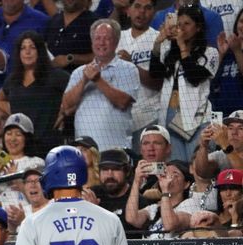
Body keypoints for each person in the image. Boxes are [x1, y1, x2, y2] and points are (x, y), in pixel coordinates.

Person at [149, 4, 219, 162]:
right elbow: (155, 73)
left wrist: (182, 47)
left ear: (199, 27)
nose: (181, 29)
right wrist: (158, 43)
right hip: (170, 114)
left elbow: (194, 77)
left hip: (198, 119)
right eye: (179, 24)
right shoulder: (169, 51)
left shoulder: (210, 53)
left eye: (187, 24)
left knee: (197, 166)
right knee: (177, 166)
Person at [61, 18, 139, 151]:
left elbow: (123, 102)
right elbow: (66, 107)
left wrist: (98, 80)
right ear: (92, 42)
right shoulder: (78, 72)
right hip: (85, 152)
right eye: (97, 38)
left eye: (107, 38)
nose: (101, 42)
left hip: (117, 150)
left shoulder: (128, 69)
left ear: (116, 42)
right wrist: (84, 80)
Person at [0, 30, 70, 156]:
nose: (27, 52)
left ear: (40, 51)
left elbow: (75, 91)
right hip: (22, 146)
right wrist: (14, 111)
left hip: (49, 144)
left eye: (32, 47)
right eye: (23, 48)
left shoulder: (55, 75)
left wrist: (65, 110)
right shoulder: (13, 78)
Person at [116, 0, 162, 152]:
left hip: (149, 118)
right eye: (137, 7)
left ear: (154, 13)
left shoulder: (160, 40)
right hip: (119, 119)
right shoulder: (116, 38)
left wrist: (132, 66)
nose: (141, 12)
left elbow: (159, 83)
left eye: (147, 8)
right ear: (128, 10)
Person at [125, 159, 199, 238]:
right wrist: (136, 181)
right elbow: (131, 218)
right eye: (166, 174)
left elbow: (169, 225)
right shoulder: (154, 208)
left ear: (186, 184)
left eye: (175, 175)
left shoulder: (190, 204)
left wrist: (165, 191)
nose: (169, 178)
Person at [85, 148, 138, 235]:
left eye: (115, 169)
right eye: (105, 169)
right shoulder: (92, 194)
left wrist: (95, 212)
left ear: (127, 171)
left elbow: (117, 234)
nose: (109, 175)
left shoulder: (135, 199)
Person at [45, 0, 96, 73]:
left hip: (80, 78)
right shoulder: (54, 20)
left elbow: (102, 55)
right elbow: (46, 45)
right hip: (51, 78)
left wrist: (71, 58)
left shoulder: (94, 23)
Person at [211, 9, 243, 118]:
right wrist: (221, 54)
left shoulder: (235, 49)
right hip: (220, 115)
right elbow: (210, 80)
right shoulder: (228, 50)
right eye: (242, 21)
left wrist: (237, 51)